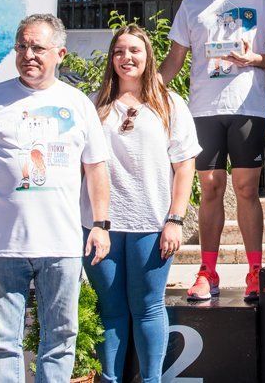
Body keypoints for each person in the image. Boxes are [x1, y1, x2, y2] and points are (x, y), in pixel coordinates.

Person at [0, 14, 111, 383]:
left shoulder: (79, 104)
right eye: (21, 46)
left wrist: (100, 224)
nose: (28, 54)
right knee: (2, 343)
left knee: (60, 338)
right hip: (0, 245)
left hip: (61, 244)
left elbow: (96, 170)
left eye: (38, 47)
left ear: (60, 53)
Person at [160, 0, 265, 301]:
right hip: (204, 111)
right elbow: (174, 60)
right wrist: (144, 92)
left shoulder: (262, 3)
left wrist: (256, 59)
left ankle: (254, 272)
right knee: (211, 187)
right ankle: (207, 272)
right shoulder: (193, 5)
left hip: (248, 109)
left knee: (247, 189)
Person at [82, 24, 200, 382]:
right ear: (111, 59)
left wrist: (175, 219)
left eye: (134, 50)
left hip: (152, 223)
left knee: (148, 308)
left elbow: (184, 166)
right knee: (111, 311)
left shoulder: (169, 103)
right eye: (119, 51)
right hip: (100, 226)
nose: (126, 58)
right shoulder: (92, 105)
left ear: (148, 57)